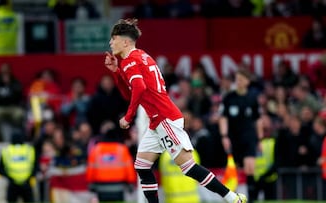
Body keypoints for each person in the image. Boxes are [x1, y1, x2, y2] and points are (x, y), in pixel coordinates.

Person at [104, 18, 247, 203]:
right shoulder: (140, 57)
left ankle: (232, 198)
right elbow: (129, 93)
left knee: (188, 167)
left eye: (113, 38)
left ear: (125, 41)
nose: (110, 42)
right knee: (141, 166)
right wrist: (116, 71)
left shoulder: (132, 60)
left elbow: (139, 88)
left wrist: (129, 116)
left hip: (165, 119)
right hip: (157, 122)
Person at [219, 69, 263, 203]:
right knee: (235, 170)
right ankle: (235, 198)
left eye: (242, 79)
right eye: (237, 79)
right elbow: (223, 118)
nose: (239, 82)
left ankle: (252, 198)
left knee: (250, 167)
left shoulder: (252, 98)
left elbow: (258, 120)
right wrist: (224, 136)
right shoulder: (229, 98)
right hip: (234, 138)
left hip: (249, 138)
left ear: (247, 82)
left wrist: (260, 139)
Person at [0, 130, 36, 203]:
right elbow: (35, 167)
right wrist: (29, 177)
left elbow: (0, 170)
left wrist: (11, 178)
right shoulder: (29, 149)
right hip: (23, 184)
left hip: (16, 184)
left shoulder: (6, 150)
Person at [0, 63, 24, 142]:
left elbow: (18, 95)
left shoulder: (15, 82)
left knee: (19, 114)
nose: (5, 73)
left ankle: (17, 137)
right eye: (3, 72)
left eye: (6, 71)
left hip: (13, 107)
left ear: (10, 72)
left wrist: (9, 85)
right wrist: (8, 98)